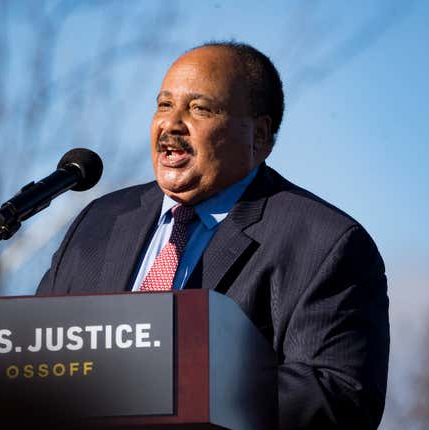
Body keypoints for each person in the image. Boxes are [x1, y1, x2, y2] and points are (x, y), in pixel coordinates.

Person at [37, 41, 389, 429]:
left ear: (260, 135)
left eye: (199, 109)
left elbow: (336, 398)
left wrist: (172, 386)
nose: (171, 124)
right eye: (164, 105)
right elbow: (32, 357)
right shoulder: (99, 223)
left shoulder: (325, 243)